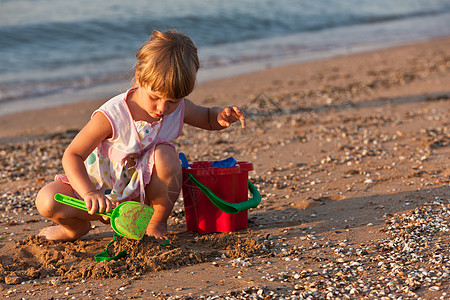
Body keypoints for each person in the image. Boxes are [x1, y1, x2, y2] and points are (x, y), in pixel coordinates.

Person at [35, 29, 245, 241]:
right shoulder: (113, 115)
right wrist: (89, 193)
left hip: (140, 199)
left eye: (173, 100)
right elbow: (73, 155)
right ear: (139, 79)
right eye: (155, 97)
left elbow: (207, 118)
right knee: (47, 200)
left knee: (166, 155)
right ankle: (74, 229)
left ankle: (156, 223)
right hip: (95, 195)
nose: (163, 108)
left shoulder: (179, 108)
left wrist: (220, 115)